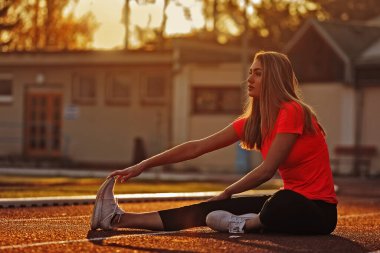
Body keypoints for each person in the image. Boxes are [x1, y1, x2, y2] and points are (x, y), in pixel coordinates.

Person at [90, 51, 338, 234]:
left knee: (282, 201)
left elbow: (267, 170)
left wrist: (228, 192)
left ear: (273, 78)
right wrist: (143, 165)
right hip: (288, 204)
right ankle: (117, 219)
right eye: (250, 72)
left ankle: (247, 223)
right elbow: (196, 147)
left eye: (258, 73)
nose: (250, 78)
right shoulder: (254, 122)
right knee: (208, 210)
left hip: (318, 211)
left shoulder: (292, 110)